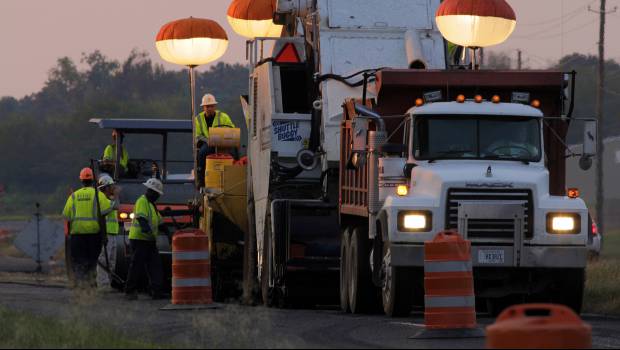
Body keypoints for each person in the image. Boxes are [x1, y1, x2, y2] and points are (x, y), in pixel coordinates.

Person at [62, 168, 111, 288]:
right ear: (93, 180)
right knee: (93, 262)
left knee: (79, 262)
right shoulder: (99, 195)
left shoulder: (73, 196)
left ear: (81, 180)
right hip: (94, 236)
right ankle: (91, 285)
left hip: (77, 236)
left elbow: (67, 217)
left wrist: (69, 235)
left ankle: (80, 285)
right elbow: (102, 217)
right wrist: (104, 236)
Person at [125, 178, 168, 300]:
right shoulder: (142, 201)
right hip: (139, 239)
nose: (158, 197)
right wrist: (146, 229)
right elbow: (141, 218)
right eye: (157, 194)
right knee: (136, 265)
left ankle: (156, 291)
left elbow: (160, 222)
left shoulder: (152, 205)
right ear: (152, 192)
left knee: (155, 265)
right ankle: (130, 291)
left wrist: (169, 233)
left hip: (149, 240)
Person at [195, 94, 235, 187]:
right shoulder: (198, 119)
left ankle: (232, 177)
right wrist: (207, 140)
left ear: (215, 106)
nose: (209, 108)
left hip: (223, 143)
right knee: (202, 153)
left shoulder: (223, 116)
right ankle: (201, 180)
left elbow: (232, 128)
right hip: (208, 143)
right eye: (207, 106)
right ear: (203, 107)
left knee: (233, 153)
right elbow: (197, 135)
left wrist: (223, 135)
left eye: (211, 106)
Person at [95, 174, 121, 291]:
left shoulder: (109, 199)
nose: (113, 188)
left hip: (113, 233)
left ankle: (108, 284)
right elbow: (115, 206)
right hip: (107, 234)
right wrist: (116, 195)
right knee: (104, 259)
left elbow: (116, 206)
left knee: (111, 261)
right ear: (105, 187)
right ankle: (103, 285)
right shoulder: (103, 200)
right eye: (111, 186)